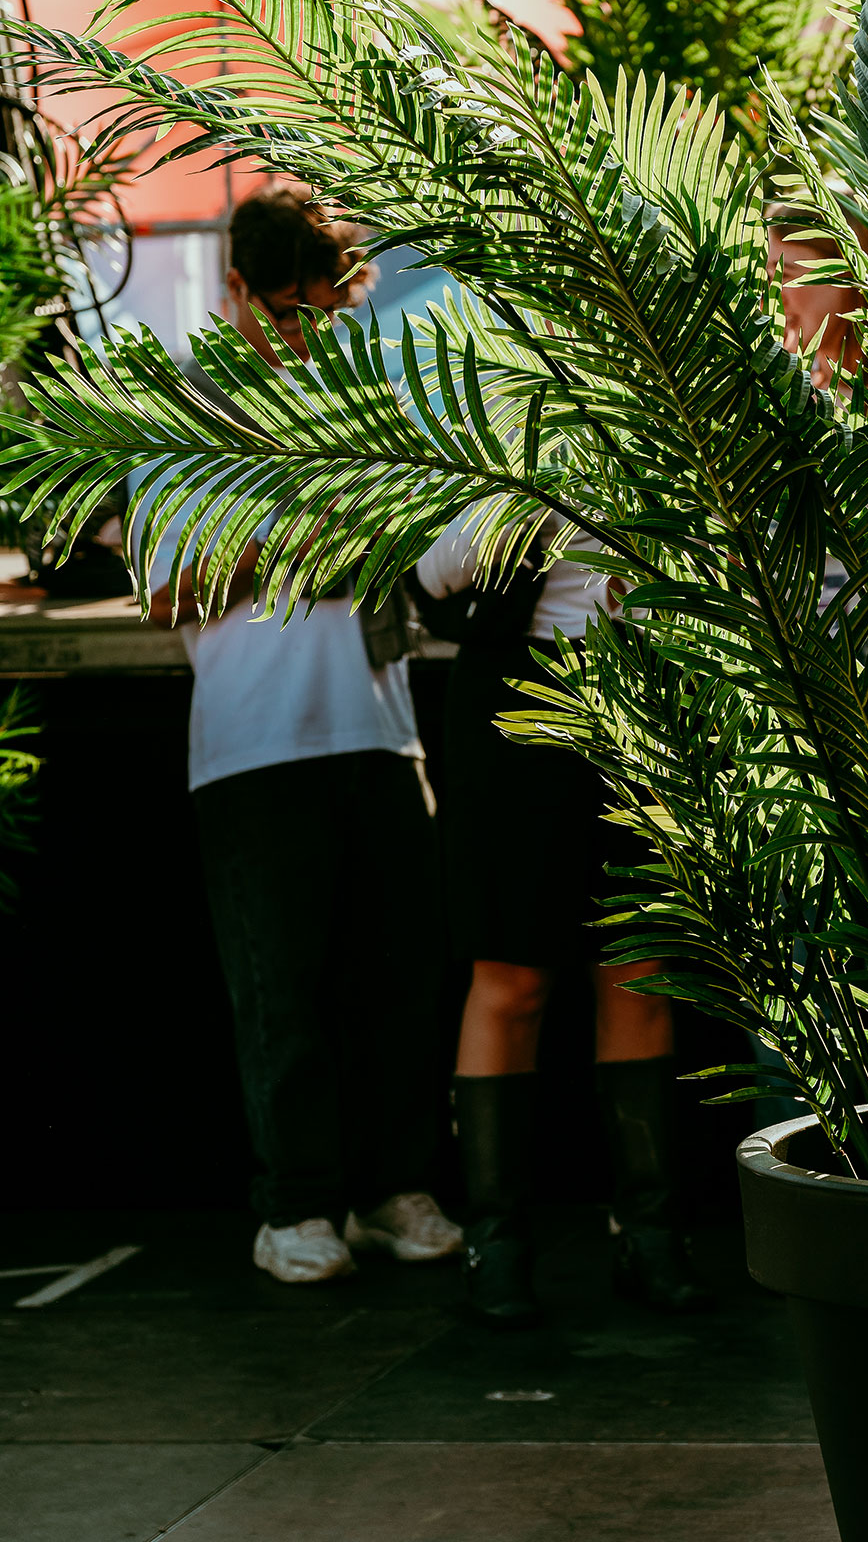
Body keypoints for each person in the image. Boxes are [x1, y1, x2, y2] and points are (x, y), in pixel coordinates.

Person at [143, 186, 460, 1285]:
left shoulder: (367, 405)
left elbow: (415, 548)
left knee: (399, 983)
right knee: (282, 990)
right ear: (235, 288)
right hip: (254, 741)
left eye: (324, 313)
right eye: (285, 312)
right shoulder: (182, 418)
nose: (303, 336)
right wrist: (294, 545)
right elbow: (165, 593)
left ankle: (392, 1191)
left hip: (380, 727)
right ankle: (295, 1206)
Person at [411, 514, 714, 1328]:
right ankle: (496, 1241)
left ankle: (651, 1235)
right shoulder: (495, 439)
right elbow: (433, 576)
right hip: (515, 696)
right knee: (512, 978)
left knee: (639, 970)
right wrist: (534, 494)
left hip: (646, 692)